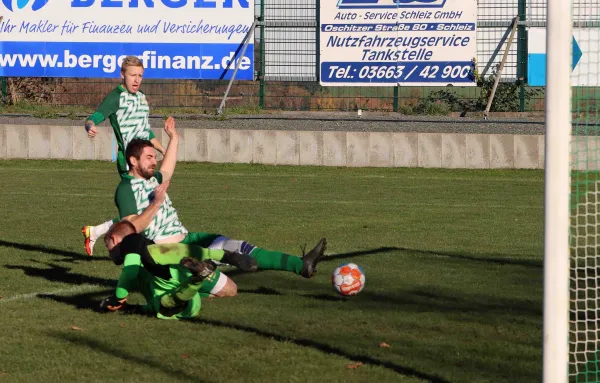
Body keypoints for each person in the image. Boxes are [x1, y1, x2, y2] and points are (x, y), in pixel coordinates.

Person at [114, 120, 327, 279]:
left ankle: (301, 265)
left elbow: (167, 169)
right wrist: (156, 203)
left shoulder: (151, 179)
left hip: (188, 238)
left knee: (242, 247)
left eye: (154, 157)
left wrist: (174, 139)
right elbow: (132, 230)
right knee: (222, 276)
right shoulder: (126, 189)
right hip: (169, 251)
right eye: (149, 158)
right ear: (133, 161)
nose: (154, 161)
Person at [81, 55, 167, 256]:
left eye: (140, 75)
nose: (137, 80)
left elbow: (146, 130)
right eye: (132, 75)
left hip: (145, 160)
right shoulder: (116, 97)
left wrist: (162, 149)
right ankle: (151, 250)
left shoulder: (142, 98)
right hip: (130, 162)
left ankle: (96, 231)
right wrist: (90, 126)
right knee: (149, 207)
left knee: (146, 208)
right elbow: (94, 117)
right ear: (122, 75)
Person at [99, 220, 230, 320]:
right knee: (159, 304)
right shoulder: (150, 249)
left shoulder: (132, 251)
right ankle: (198, 280)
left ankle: (195, 281)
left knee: (165, 303)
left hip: (176, 304)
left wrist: (118, 298)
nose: (109, 252)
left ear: (114, 239)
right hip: (187, 295)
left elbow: (129, 274)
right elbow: (179, 250)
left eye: (107, 246)